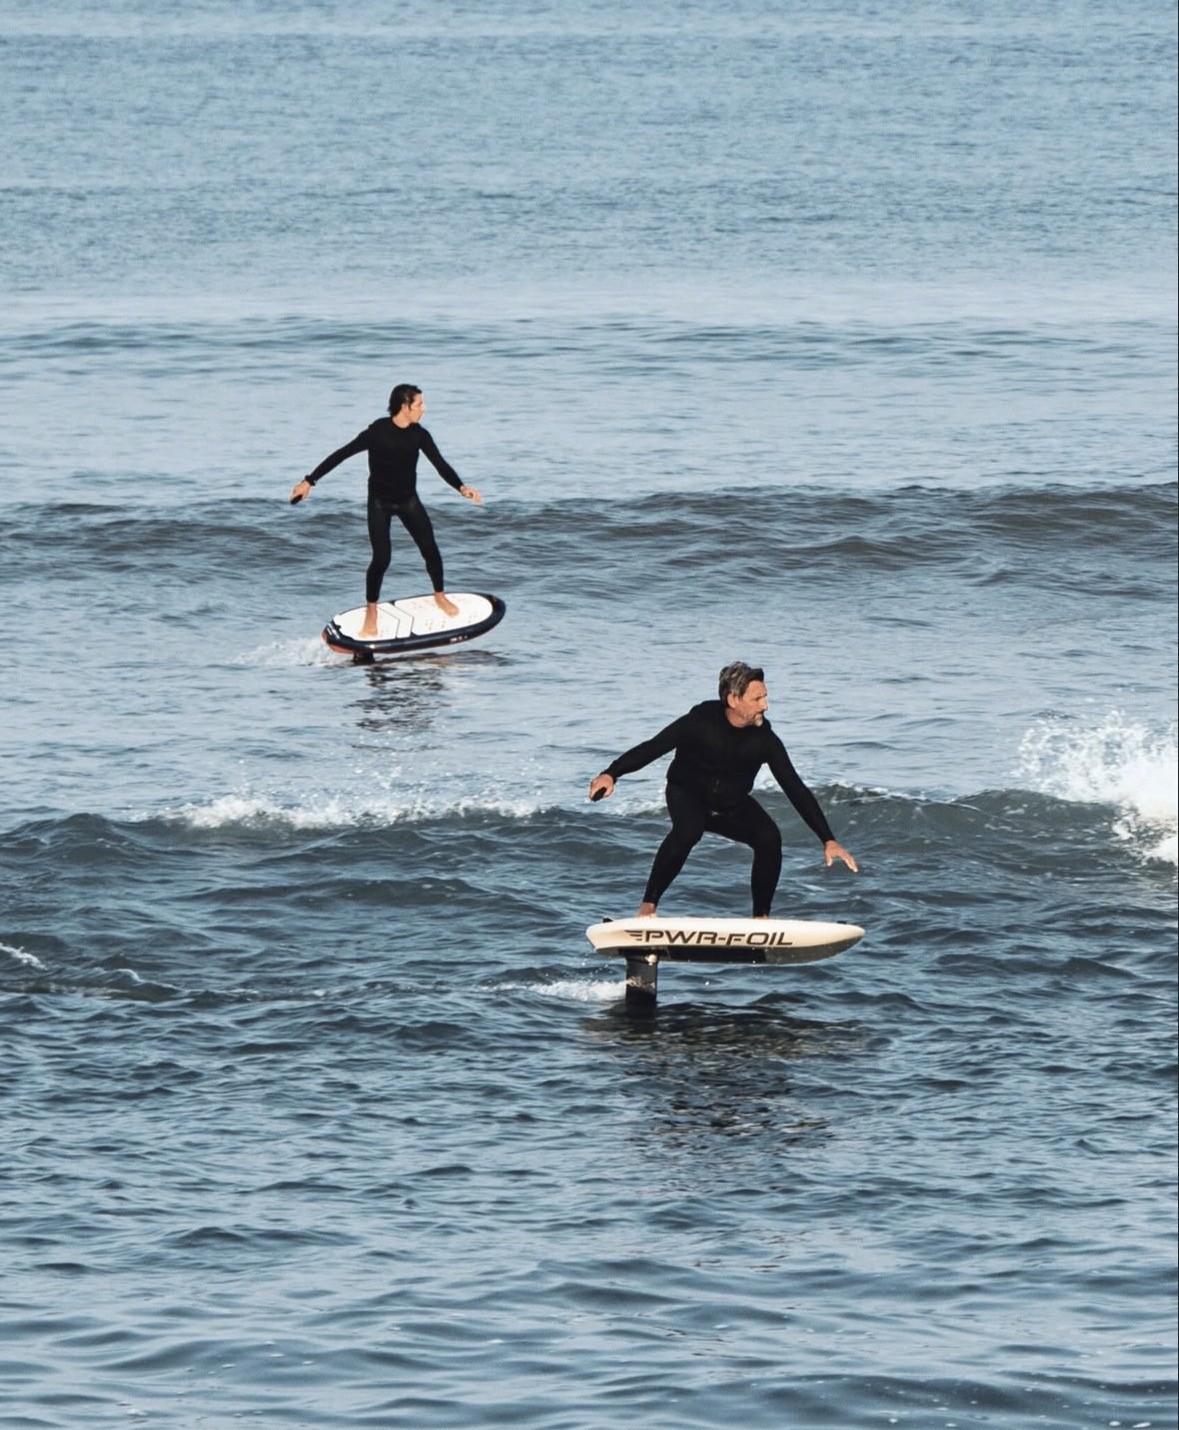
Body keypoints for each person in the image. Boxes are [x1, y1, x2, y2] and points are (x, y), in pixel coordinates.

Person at [588, 661, 857, 917]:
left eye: (765, 697)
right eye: (757, 699)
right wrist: (612, 773)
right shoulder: (700, 721)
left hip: (731, 806)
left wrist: (828, 839)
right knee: (688, 831)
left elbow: (794, 787)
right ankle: (648, 907)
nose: (766, 705)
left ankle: (761, 919)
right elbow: (654, 746)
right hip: (687, 795)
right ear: (733, 700)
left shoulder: (765, 740)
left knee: (769, 838)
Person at [290, 385, 482, 637]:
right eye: (419, 404)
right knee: (382, 558)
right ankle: (372, 610)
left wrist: (461, 487)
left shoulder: (420, 435)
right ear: (405, 407)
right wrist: (309, 481)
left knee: (430, 549)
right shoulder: (377, 432)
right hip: (380, 502)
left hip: (408, 500)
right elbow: (341, 454)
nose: (424, 409)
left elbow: (440, 464)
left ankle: (440, 596)